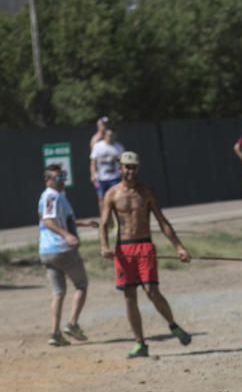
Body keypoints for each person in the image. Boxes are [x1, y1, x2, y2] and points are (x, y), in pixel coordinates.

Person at [99, 151, 193, 358]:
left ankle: (173, 324)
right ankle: (140, 343)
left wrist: (179, 247)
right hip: (123, 249)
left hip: (144, 247)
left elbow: (162, 221)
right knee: (129, 297)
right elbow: (104, 224)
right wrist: (104, 245)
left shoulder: (147, 192)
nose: (130, 171)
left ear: (137, 168)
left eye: (133, 167)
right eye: (126, 167)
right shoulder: (112, 194)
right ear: (120, 167)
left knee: (152, 291)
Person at [37, 164, 98, 347]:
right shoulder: (52, 196)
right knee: (81, 285)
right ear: (48, 180)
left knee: (58, 292)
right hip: (61, 249)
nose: (62, 179)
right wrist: (67, 235)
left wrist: (83, 224)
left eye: (63, 176)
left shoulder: (52, 196)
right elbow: (48, 220)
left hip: (47, 251)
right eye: (57, 177)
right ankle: (72, 324)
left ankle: (55, 333)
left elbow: (59, 220)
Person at [90, 127, 124, 203]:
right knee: (101, 199)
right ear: (105, 135)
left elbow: (122, 163)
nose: (110, 137)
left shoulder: (119, 147)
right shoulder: (98, 146)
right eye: (109, 135)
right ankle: (103, 215)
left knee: (117, 198)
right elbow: (93, 162)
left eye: (112, 135)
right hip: (101, 179)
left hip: (115, 178)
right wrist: (93, 175)